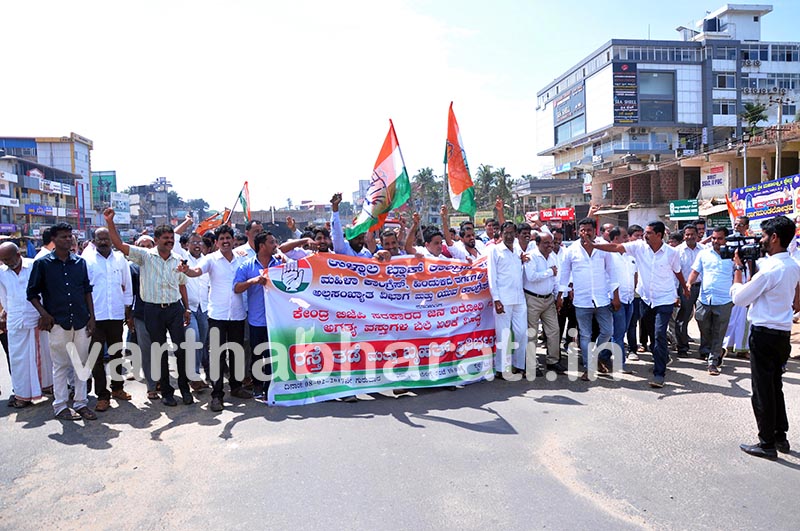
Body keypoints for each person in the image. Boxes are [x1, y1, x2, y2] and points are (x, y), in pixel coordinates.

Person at [104, 208, 194, 407]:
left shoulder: (178, 260)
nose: (169, 241)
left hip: (174, 309)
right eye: (165, 238)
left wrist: (186, 308)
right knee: (159, 351)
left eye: (171, 238)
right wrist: (110, 222)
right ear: (157, 239)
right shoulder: (144, 256)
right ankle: (167, 392)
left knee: (181, 350)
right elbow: (119, 245)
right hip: (153, 311)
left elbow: (182, 285)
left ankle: (184, 388)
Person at [731, 216, 800, 460]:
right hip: (782, 334)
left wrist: (738, 270)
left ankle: (766, 443)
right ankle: (780, 436)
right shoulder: (792, 265)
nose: (760, 240)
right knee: (775, 386)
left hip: (763, 334)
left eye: (763, 236)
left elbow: (739, 299)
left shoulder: (770, 270)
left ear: (774, 238)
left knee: (762, 390)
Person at [591, 221, 689, 388]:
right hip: (645, 299)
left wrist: (685, 288)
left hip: (665, 299)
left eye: (649, 233)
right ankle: (661, 357)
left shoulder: (671, 253)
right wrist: (593, 245)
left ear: (659, 235)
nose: (645, 235)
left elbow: (677, 271)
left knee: (659, 334)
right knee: (653, 335)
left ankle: (659, 374)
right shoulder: (639, 247)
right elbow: (616, 247)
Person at [27, 223, 97, 421]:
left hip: (81, 320)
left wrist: (92, 317)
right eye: (63, 236)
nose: (68, 239)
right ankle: (60, 406)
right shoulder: (43, 264)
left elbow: (87, 291)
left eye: (70, 236)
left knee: (81, 364)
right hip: (58, 322)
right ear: (54, 240)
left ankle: (81, 403)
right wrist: (44, 314)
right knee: (61, 365)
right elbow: (32, 293)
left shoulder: (79, 262)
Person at [183, 225, 252, 410]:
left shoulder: (242, 258)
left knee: (236, 353)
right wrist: (186, 270)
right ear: (216, 242)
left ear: (233, 240)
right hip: (217, 316)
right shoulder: (211, 259)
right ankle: (217, 394)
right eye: (222, 239)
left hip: (238, 314)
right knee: (217, 356)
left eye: (228, 238)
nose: (225, 241)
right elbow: (196, 272)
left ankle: (236, 387)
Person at [558, 218, 619, 381]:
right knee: (585, 335)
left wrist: (616, 296)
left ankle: (594, 356)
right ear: (578, 231)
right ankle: (588, 368)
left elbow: (612, 272)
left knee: (608, 331)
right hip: (582, 300)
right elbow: (564, 274)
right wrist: (560, 295)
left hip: (602, 298)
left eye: (589, 230)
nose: (586, 233)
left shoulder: (603, 247)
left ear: (595, 231)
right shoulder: (572, 250)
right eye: (583, 230)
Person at [83, 227, 134, 411]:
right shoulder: (87, 260)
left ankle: (118, 388)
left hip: (116, 315)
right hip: (95, 317)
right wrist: (88, 316)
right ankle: (102, 396)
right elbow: (84, 289)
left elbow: (127, 285)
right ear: (94, 241)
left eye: (107, 239)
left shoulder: (120, 259)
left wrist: (128, 310)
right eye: (100, 239)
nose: (104, 242)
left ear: (111, 241)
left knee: (116, 354)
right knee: (96, 357)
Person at [0, 242, 53, 408]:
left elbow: (45, 291)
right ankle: (22, 395)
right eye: (3, 260)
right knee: (18, 360)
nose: (7, 263)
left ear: (18, 255)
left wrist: (44, 314)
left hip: (38, 318)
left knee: (45, 355)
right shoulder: (2, 273)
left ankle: (47, 386)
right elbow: (4, 297)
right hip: (16, 321)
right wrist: (8, 315)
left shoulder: (34, 265)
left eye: (9, 259)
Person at [234, 231, 280, 405]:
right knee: (257, 355)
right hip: (257, 320)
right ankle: (258, 386)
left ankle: (271, 387)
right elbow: (236, 288)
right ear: (262, 246)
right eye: (271, 242)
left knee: (273, 355)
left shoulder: (280, 265)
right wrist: (253, 281)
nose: (275, 245)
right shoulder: (246, 266)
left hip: (276, 320)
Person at [686, 227, 734, 375]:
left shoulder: (733, 255)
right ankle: (717, 350)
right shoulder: (704, 254)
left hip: (724, 300)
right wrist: (689, 283)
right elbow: (695, 271)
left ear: (726, 239)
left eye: (719, 238)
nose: (715, 241)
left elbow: (740, 273)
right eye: (713, 238)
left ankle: (713, 362)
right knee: (701, 322)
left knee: (719, 332)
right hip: (705, 298)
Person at [487, 221, 526, 378]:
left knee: (521, 333)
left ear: (515, 234)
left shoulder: (518, 250)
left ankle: (519, 365)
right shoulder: (495, 250)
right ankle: (501, 368)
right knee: (503, 335)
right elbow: (492, 276)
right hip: (503, 299)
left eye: (511, 233)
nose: (509, 236)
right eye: (506, 233)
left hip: (519, 298)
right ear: (501, 234)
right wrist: (496, 299)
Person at [523, 232, 564, 375]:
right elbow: (531, 277)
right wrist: (550, 272)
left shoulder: (553, 257)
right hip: (532, 299)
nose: (550, 245)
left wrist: (558, 296)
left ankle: (553, 361)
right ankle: (531, 364)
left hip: (549, 299)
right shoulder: (531, 256)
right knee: (532, 333)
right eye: (546, 243)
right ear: (537, 243)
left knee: (554, 330)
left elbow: (557, 278)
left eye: (551, 242)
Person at [182, 232, 211, 389]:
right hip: (188, 308)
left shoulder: (208, 261)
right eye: (193, 242)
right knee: (194, 339)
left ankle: (195, 375)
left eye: (199, 242)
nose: (197, 245)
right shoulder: (182, 258)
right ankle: (193, 376)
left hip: (204, 308)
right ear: (187, 245)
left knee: (201, 343)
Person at [675, 224, 704, 357]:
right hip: (685, 287)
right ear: (683, 236)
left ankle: (705, 349)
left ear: (697, 235)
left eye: (692, 234)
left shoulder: (704, 250)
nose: (690, 237)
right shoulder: (677, 251)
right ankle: (682, 348)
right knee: (683, 317)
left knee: (704, 318)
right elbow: (674, 273)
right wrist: (676, 293)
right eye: (687, 234)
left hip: (702, 287)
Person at [330, 193, 372, 258]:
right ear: (350, 239)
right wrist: (335, 207)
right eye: (358, 238)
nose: (361, 241)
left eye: (362, 238)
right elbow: (337, 233)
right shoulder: (343, 248)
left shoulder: (367, 254)